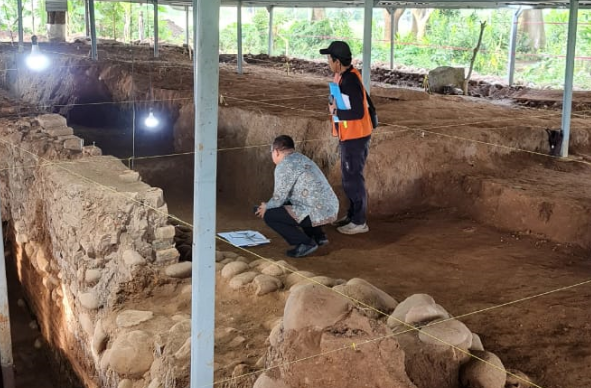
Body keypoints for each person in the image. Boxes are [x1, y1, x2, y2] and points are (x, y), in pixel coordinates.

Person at [319, 41, 373, 235]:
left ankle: (359, 221)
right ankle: (352, 215)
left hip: (356, 137)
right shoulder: (343, 76)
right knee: (348, 176)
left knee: (353, 178)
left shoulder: (350, 81)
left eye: (329, 58)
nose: (328, 62)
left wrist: (336, 112)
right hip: (349, 135)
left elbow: (357, 111)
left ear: (338, 61)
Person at [255, 135, 338, 258]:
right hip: (330, 209)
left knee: (269, 214)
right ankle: (319, 237)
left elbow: (278, 199)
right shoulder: (303, 158)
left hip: (316, 212)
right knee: (299, 203)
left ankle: (305, 243)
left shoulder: (284, 165)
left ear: (276, 151)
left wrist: (265, 207)